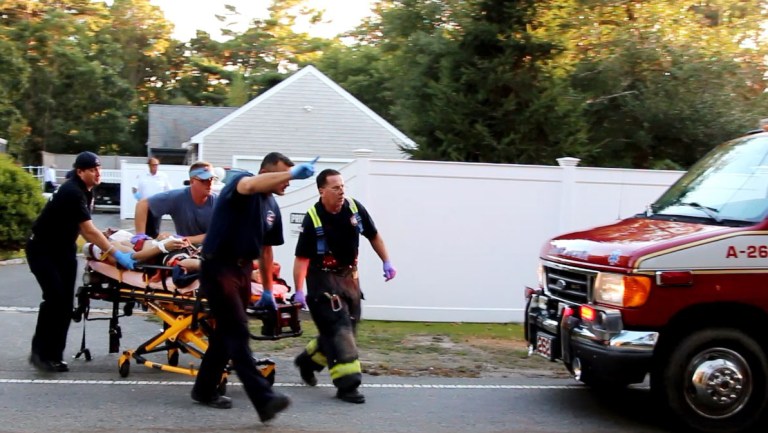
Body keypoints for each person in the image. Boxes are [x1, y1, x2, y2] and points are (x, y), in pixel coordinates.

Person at [190, 152, 317, 423]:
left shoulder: (271, 206)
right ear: (265, 173)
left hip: (244, 270)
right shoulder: (242, 184)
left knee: (225, 335)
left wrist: (269, 290)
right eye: (282, 175)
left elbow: (266, 250)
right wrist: (293, 173)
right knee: (237, 330)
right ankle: (264, 399)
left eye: (290, 176)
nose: (287, 182)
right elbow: (250, 185)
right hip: (219, 267)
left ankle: (203, 390)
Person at [292, 168, 397, 404]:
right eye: (335, 188)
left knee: (345, 330)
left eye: (343, 187)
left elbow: (374, 235)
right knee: (340, 331)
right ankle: (348, 386)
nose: (341, 192)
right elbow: (301, 259)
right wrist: (299, 290)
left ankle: (307, 362)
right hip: (323, 282)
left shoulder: (354, 208)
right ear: (322, 191)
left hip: (350, 279)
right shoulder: (313, 219)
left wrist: (386, 261)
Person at [26, 151, 137, 373]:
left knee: (66, 304)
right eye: (93, 169)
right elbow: (88, 230)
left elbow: (85, 227)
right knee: (54, 298)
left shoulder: (85, 191)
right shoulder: (72, 191)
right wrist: (116, 253)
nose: (98, 173)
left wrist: (103, 235)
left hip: (63, 250)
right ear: (80, 171)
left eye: (99, 168)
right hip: (43, 249)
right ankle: (40, 353)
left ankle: (54, 355)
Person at [134, 161, 217, 244]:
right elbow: (142, 204)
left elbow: (216, 235)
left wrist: (180, 239)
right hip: (185, 249)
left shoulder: (219, 202)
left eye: (212, 179)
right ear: (192, 181)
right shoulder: (177, 197)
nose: (209, 183)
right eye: (204, 180)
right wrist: (140, 236)